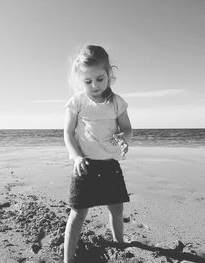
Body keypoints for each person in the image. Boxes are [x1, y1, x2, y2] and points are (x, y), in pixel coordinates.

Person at [63, 45, 133, 263]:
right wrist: (76, 157)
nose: (94, 85)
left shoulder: (116, 102)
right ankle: (68, 258)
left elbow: (127, 128)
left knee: (116, 209)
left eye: (100, 79)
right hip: (84, 166)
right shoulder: (78, 102)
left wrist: (124, 138)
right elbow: (68, 132)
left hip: (110, 164)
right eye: (88, 81)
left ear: (109, 75)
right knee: (78, 212)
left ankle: (119, 243)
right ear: (80, 81)